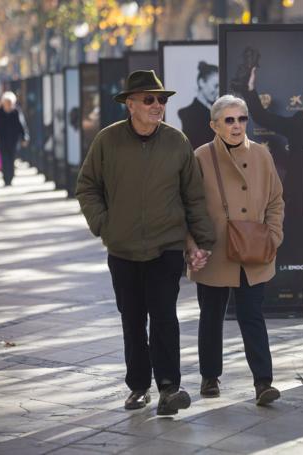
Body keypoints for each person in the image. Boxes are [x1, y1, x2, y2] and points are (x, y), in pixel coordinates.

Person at [76, 70, 215, 416]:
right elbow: (87, 186)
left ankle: (169, 387)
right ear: (131, 104)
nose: (158, 105)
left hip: (165, 246)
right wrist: (104, 225)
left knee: (165, 315)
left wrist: (202, 240)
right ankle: (138, 386)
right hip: (122, 249)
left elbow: (193, 196)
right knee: (133, 319)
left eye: (162, 100)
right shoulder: (107, 142)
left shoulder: (176, 141)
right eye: (150, 99)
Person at [185, 94, 284, 405]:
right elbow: (189, 206)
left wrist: (273, 236)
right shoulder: (200, 157)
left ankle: (263, 382)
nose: (237, 125)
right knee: (211, 315)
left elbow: (276, 201)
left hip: (254, 251)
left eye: (242, 118)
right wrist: (193, 247)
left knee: (252, 314)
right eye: (229, 120)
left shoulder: (262, 155)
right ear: (214, 125)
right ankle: (210, 376)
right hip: (214, 252)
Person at [240, 66, 303, 267]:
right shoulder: (298, 123)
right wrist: (250, 90)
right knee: (292, 245)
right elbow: (262, 118)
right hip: (297, 195)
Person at [178, 61, 219, 149]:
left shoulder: (217, 112)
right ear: (201, 82)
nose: (218, 91)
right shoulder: (187, 114)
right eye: (215, 86)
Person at [0, 91, 28, 186]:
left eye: (10, 103)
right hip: (1, 140)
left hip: (13, 141)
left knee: (11, 159)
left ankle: (10, 177)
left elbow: (22, 126)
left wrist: (24, 137)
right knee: (4, 159)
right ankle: (5, 178)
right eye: (6, 102)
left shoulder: (16, 112)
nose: (8, 105)